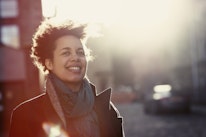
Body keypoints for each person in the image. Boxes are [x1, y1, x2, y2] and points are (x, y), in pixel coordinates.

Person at [9, 18, 125, 137]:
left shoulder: (106, 109)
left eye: (80, 52)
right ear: (49, 63)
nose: (75, 58)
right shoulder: (25, 115)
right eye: (66, 53)